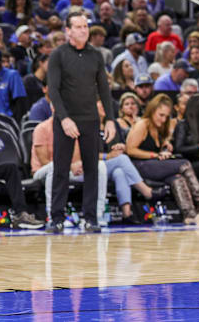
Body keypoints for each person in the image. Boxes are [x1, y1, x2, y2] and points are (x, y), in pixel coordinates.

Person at [46, 12, 116, 234]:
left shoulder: (96, 55)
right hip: (65, 119)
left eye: (85, 26)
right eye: (78, 26)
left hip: (90, 119)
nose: (83, 30)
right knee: (60, 169)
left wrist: (111, 120)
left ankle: (90, 218)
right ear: (68, 31)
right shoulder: (58, 55)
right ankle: (56, 218)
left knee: (92, 169)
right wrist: (64, 118)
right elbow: (53, 90)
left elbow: (104, 90)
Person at [126, 95, 199, 224]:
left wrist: (165, 148)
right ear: (152, 110)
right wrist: (155, 155)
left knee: (178, 178)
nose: (164, 119)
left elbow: (157, 150)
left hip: (153, 165)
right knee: (185, 164)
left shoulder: (158, 128)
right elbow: (130, 150)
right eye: (161, 115)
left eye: (166, 116)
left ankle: (190, 215)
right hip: (139, 166)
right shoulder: (142, 124)